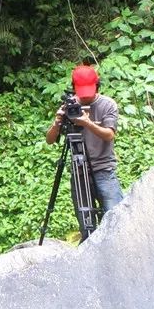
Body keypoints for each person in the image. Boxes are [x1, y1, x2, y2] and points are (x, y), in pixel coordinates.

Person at [45, 64, 124, 214]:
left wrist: (87, 123)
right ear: (74, 87)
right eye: (82, 92)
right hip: (79, 171)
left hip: (104, 170)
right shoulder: (69, 106)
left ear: (97, 85)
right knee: (86, 224)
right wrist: (57, 123)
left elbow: (109, 135)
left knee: (116, 217)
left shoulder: (108, 105)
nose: (86, 96)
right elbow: (49, 140)